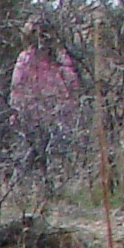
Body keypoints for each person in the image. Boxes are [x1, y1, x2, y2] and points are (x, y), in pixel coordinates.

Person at [10, 17, 82, 151]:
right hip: (33, 120)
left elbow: (73, 86)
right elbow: (17, 90)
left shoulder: (61, 58)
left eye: (44, 34)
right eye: (37, 34)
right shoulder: (25, 59)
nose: (41, 40)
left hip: (59, 119)